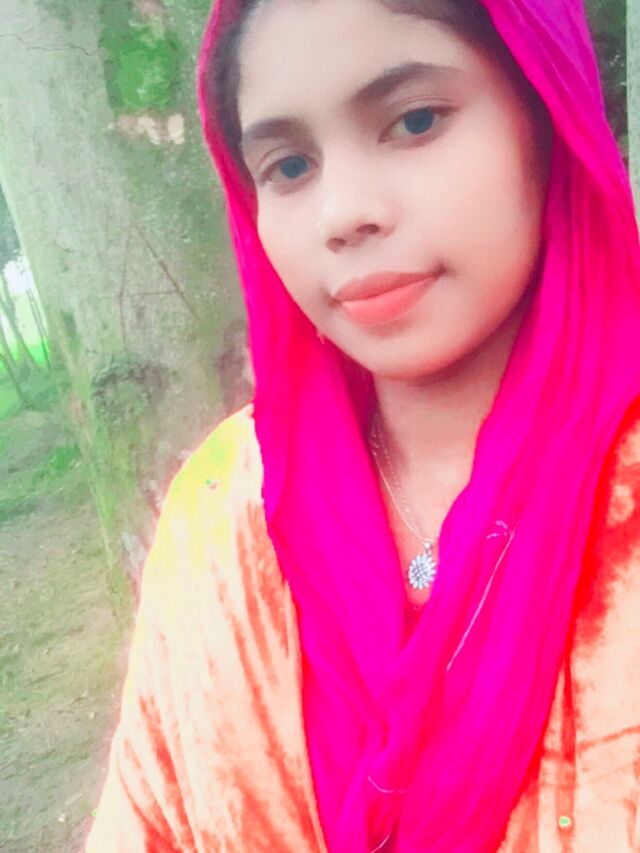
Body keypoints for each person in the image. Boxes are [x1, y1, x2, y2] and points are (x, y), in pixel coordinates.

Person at [85, 0, 640, 850]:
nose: (343, 214)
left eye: (415, 121)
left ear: (545, 111)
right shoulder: (222, 510)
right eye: (288, 166)